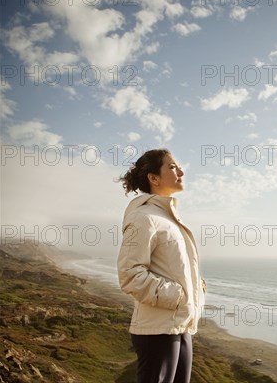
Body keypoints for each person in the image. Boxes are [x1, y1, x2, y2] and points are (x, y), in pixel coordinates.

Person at [116, 148, 205, 383]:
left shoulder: (169, 218)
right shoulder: (142, 217)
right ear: (153, 178)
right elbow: (129, 274)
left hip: (179, 325)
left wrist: (196, 288)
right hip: (157, 330)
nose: (182, 171)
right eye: (173, 167)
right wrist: (177, 295)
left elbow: (172, 268)